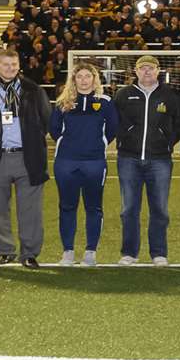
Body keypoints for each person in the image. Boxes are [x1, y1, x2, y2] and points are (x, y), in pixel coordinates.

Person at [0, 47, 52, 267]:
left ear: (19, 66)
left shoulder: (34, 91)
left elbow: (46, 120)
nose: (10, 69)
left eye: (14, 65)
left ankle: (30, 253)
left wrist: (33, 140)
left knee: (31, 211)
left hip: (28, 157)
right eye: (6, 64)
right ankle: (5, 251)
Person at [49, 64, 121, 266]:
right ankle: (68, 252)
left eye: (87, 76)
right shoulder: (63, 103)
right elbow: (54, 129)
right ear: (73, 79)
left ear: (94, 79)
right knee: (67, 206)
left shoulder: (105, 102)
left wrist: (98, 144)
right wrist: (70, 144)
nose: (83, 80)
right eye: (79, 76)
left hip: (95, 162)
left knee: (94, 207)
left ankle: (90, 252)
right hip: (66, 162)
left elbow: (113, 128)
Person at [114, 55, 180, 265]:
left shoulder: (170, 96)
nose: (146, 72)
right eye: (142, 68)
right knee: (129, 209)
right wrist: (126, 136)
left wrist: (166, 140)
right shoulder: (123, 95)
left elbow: (179, 124)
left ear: (158, 70)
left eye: (150, 68)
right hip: (128, 159)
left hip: (160, 160)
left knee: (159, 209)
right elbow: (115, 122)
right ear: (135, 71)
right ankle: (129, 253)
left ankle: (159, 253)